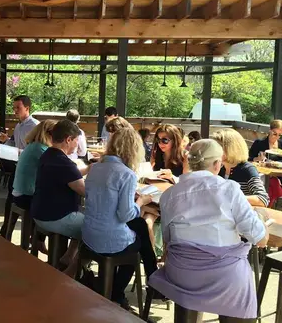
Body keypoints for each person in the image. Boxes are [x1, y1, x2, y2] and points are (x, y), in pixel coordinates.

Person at [149, 139, 268, 321]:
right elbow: (260, 240)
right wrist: (262, 222)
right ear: (217, 164)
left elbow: (168, 238)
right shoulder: (229, 189)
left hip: (183, 275)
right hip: (223, 277)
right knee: (238, 274)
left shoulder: (169, 195)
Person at [83, 127, 159, 309]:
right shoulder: (127, 174)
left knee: (140, 225)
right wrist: (140, 202)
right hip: (109, 240)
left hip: (89, 233)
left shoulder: (95, 168)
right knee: (138, 245)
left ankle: (148, 280)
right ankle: (117, 292)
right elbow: (125, 215)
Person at [31, 119, 85, 277]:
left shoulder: (47, 154)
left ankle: (69, 256)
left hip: (40, 212)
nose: (77, 144)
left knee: (86, 217)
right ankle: (73, 271)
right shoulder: (63, 162)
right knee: (96, 227)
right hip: (54, 217)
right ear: (68, 139)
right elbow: (85, 191)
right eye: (76, 140)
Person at [12, 120, 56, 254]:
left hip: (19, 193)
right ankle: (42, 241)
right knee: (58, 207)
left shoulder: (33, 146)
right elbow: (58, 170)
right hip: (26, 195)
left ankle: (38, 239)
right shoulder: (41, 149)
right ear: (49, 134)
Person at [0, 95, 39, 237]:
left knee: (24, 201)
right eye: (14, 107)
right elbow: (15, 145)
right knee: (10, 199)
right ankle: (6, 232)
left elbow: (36, 150)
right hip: (19, 167)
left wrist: (20, 152)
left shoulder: (35, 126)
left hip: (30, 171)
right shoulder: (18, 126)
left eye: (18, 107)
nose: (15, 110)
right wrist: (6, 141)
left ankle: (32, 237)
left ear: (27, 108)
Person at [211, 128, 269, 207]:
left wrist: (233, 197)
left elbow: (263, 199)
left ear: (231, 149)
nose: (213, 151)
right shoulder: (218, 167)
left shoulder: (247, 169)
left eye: (217, 148)